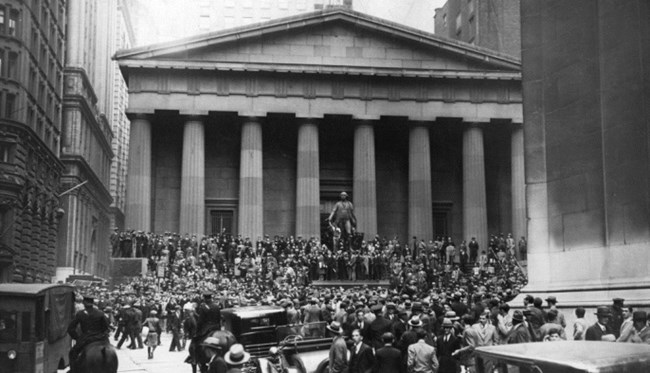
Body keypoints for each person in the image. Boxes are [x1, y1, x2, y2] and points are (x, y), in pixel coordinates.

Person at [67, 295, 111, 373]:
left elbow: (71, 328)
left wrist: (77, 337)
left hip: (86, 338)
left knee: (72, 353)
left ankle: (73, 370)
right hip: (101, 338)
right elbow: (106, 326)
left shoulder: (80, 314)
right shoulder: (100, 313)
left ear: (84, 302)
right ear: (92, 303)